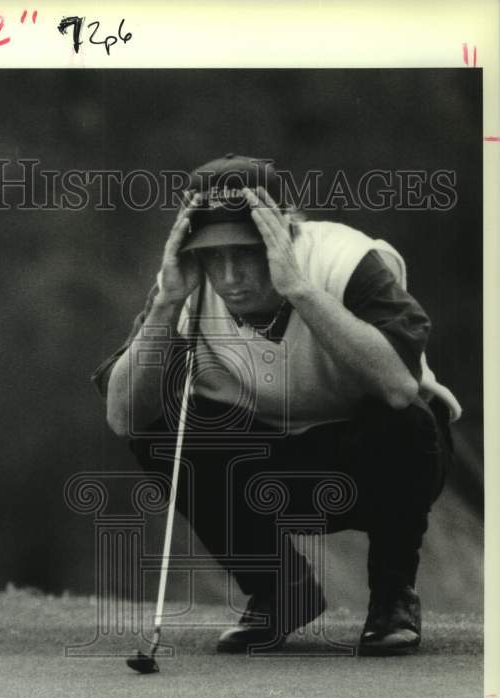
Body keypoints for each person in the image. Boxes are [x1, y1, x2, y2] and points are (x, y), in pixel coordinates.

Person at [92, 154, 460, 655]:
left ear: (284, 229)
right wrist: (165, 304)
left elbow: (399, 385)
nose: (230, 276)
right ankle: (280, 594)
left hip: (381, 461)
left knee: (409, 419)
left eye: (247, 252)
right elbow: (124, 419)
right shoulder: (184, 288)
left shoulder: (346, 261)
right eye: (212, 256)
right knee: (160, 429)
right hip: (271, 474)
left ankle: (392, 598)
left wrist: (298, 289)